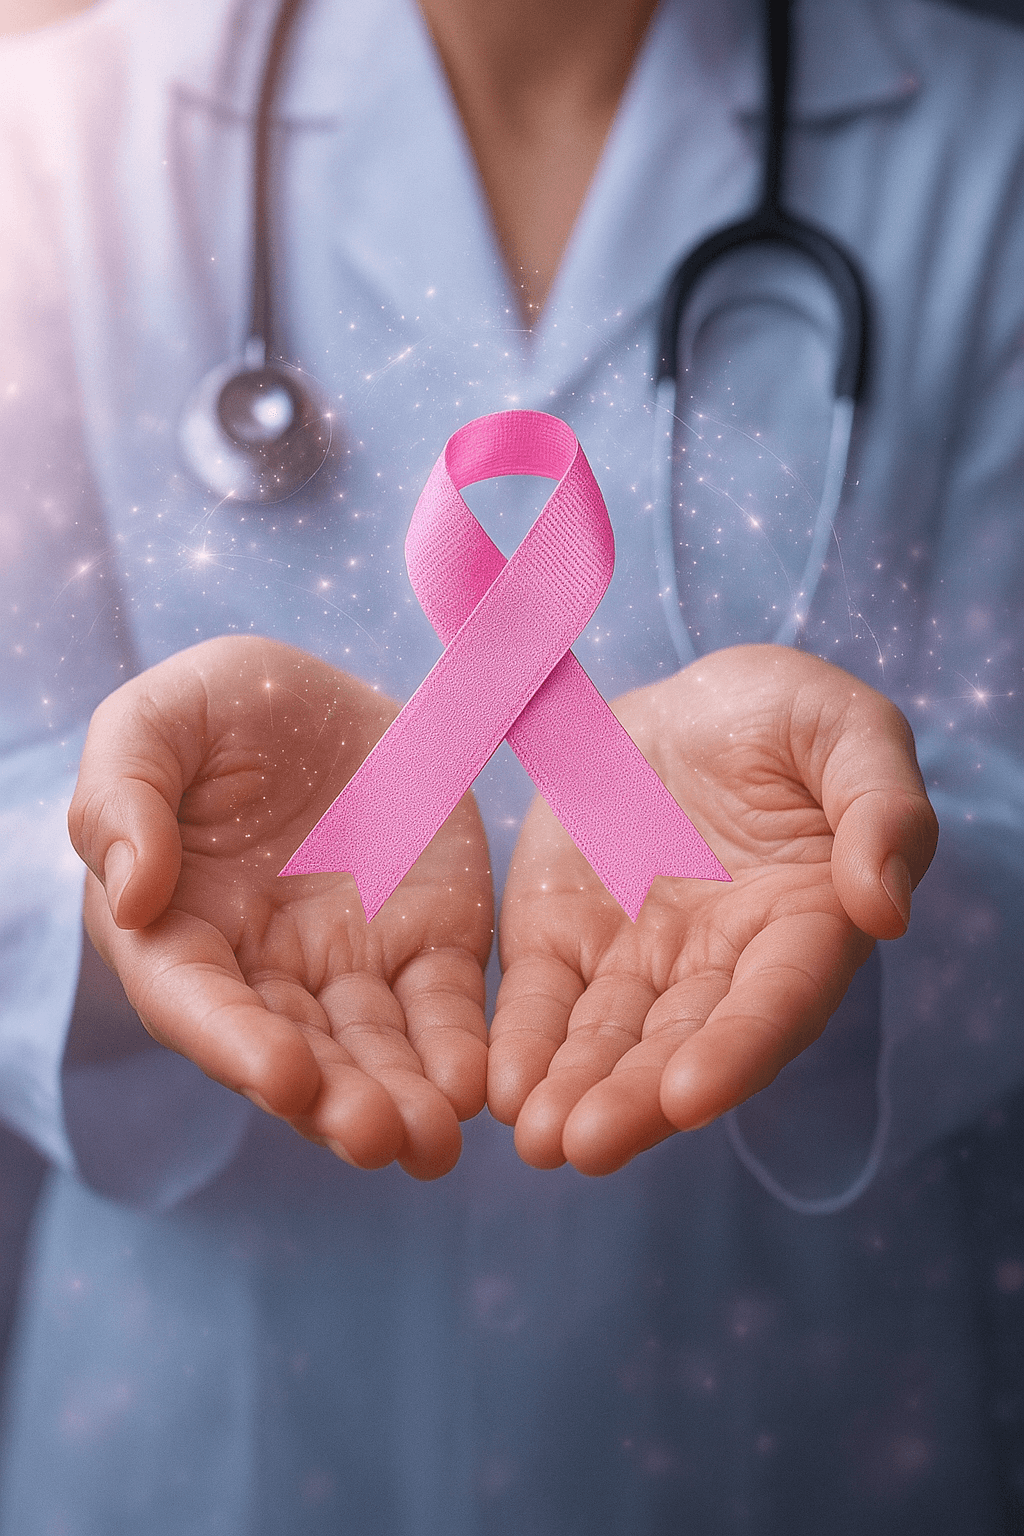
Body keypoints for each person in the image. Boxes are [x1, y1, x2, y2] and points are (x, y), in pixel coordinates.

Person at [0, 0, 1022, 1531]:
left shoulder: (989, 146)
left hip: (785, 1416)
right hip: (214, 1432)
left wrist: (874, 867)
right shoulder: (51, 143)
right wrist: (111, 873)